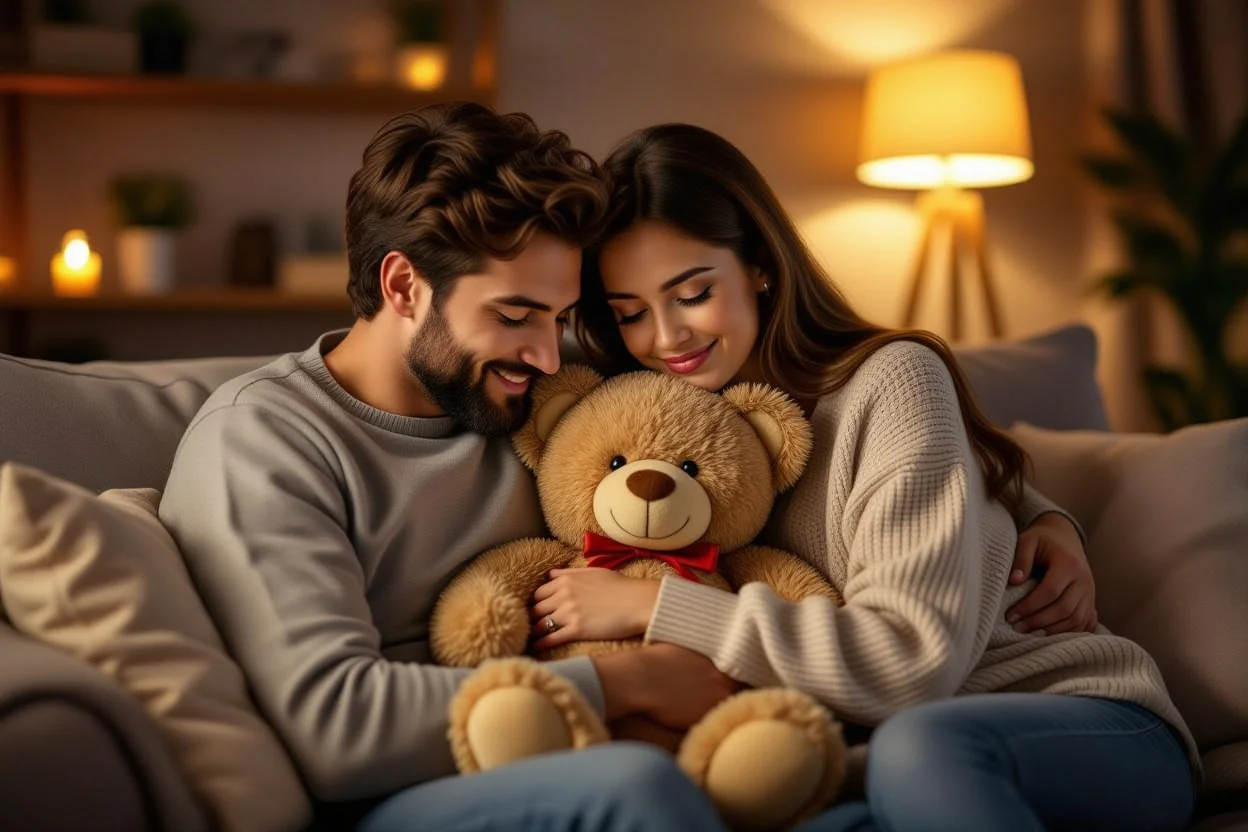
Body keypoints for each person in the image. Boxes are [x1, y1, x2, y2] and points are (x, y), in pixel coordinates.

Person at [541, 123, 1199, 831]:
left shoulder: (890, 381)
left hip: (1074, 724)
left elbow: (909, 666)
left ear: (760, 265)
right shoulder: (657, 415)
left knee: (920, 748)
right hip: (869, 759)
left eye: (693, 292)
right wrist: (1044, 514)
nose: (666, 338)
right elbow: (974, 486)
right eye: (630, 313)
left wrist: (655, 605)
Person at [159, 103, 736, 832]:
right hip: (400, 798)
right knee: (637, 790)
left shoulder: (557, 405)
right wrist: (626, 681)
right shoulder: (266, 437)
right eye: (515, 315)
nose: (549, 357)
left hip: (585, 749)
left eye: (556, 319)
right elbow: (334, 730)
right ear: (403, 286)